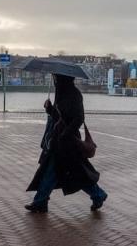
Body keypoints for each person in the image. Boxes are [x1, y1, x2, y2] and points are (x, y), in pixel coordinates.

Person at [25, 74, 108, 213]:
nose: (55, 81)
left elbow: (79, 118)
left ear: (64, 79)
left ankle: (41, 201)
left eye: (57, 78)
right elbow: (60, 117)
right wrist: (50, 109)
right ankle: (41, 201)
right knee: (59, 171)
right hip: (58, 141)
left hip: (68, 142)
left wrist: (66, 133)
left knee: (66, 171)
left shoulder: (74, 95)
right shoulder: (62, 93)